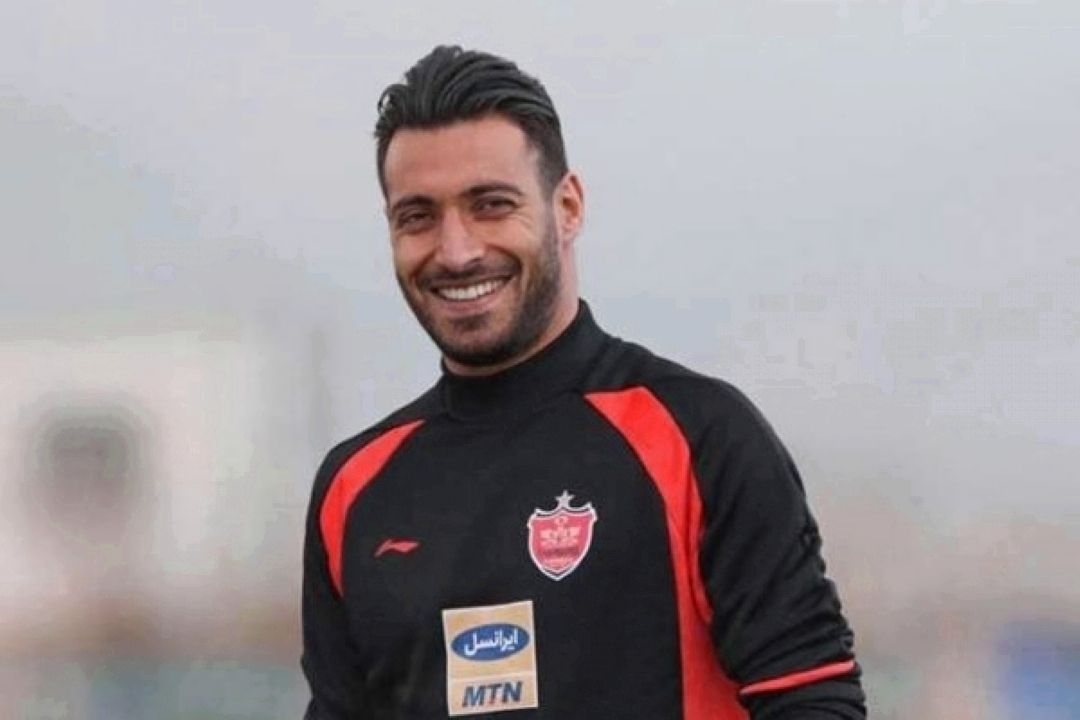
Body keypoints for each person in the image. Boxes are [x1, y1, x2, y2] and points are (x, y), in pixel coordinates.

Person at [301, 45, 866, 720]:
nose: (456, 251)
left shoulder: (700, 437)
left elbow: (815, 700)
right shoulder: (354, 487)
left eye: (491, 205)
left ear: (567, 207)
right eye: (418, 216)